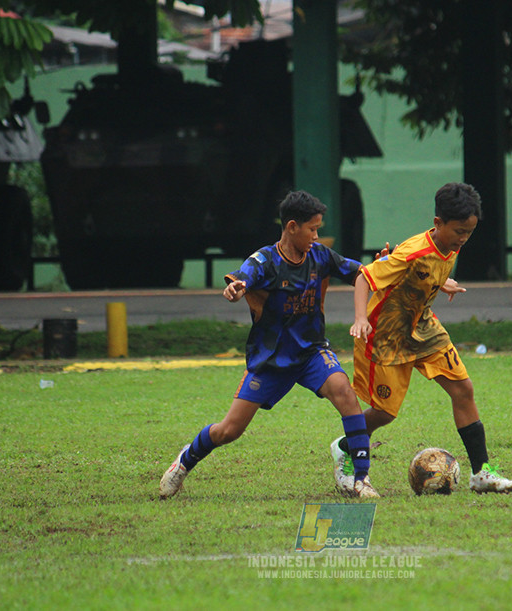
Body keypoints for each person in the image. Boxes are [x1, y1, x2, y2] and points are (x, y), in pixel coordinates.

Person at [160, 190, 379, 499]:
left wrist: (382, 266)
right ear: (292, 227)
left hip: (312, 352)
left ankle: (361, 478)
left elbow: (360, 273)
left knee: (345, 392)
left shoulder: (319, 256)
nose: (317, 236)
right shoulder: (265, 260)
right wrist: (237, 288)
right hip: (272, 359)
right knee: (229, 430)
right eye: (312, 229)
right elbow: (243, 278)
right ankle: (184, 462)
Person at [331, 182, 512, 494]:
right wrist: (361, 318)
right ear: (438, 223)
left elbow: (428, 270)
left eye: (469, 232)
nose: (463, 238)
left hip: (424, 327)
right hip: (387, 335)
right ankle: (344, 446)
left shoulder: (449, 247)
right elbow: (365, 277)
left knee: (463, 388)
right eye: (459, 231)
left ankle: (482, 474)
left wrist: (441, 281)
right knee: (385, 413)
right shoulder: (411, 252)